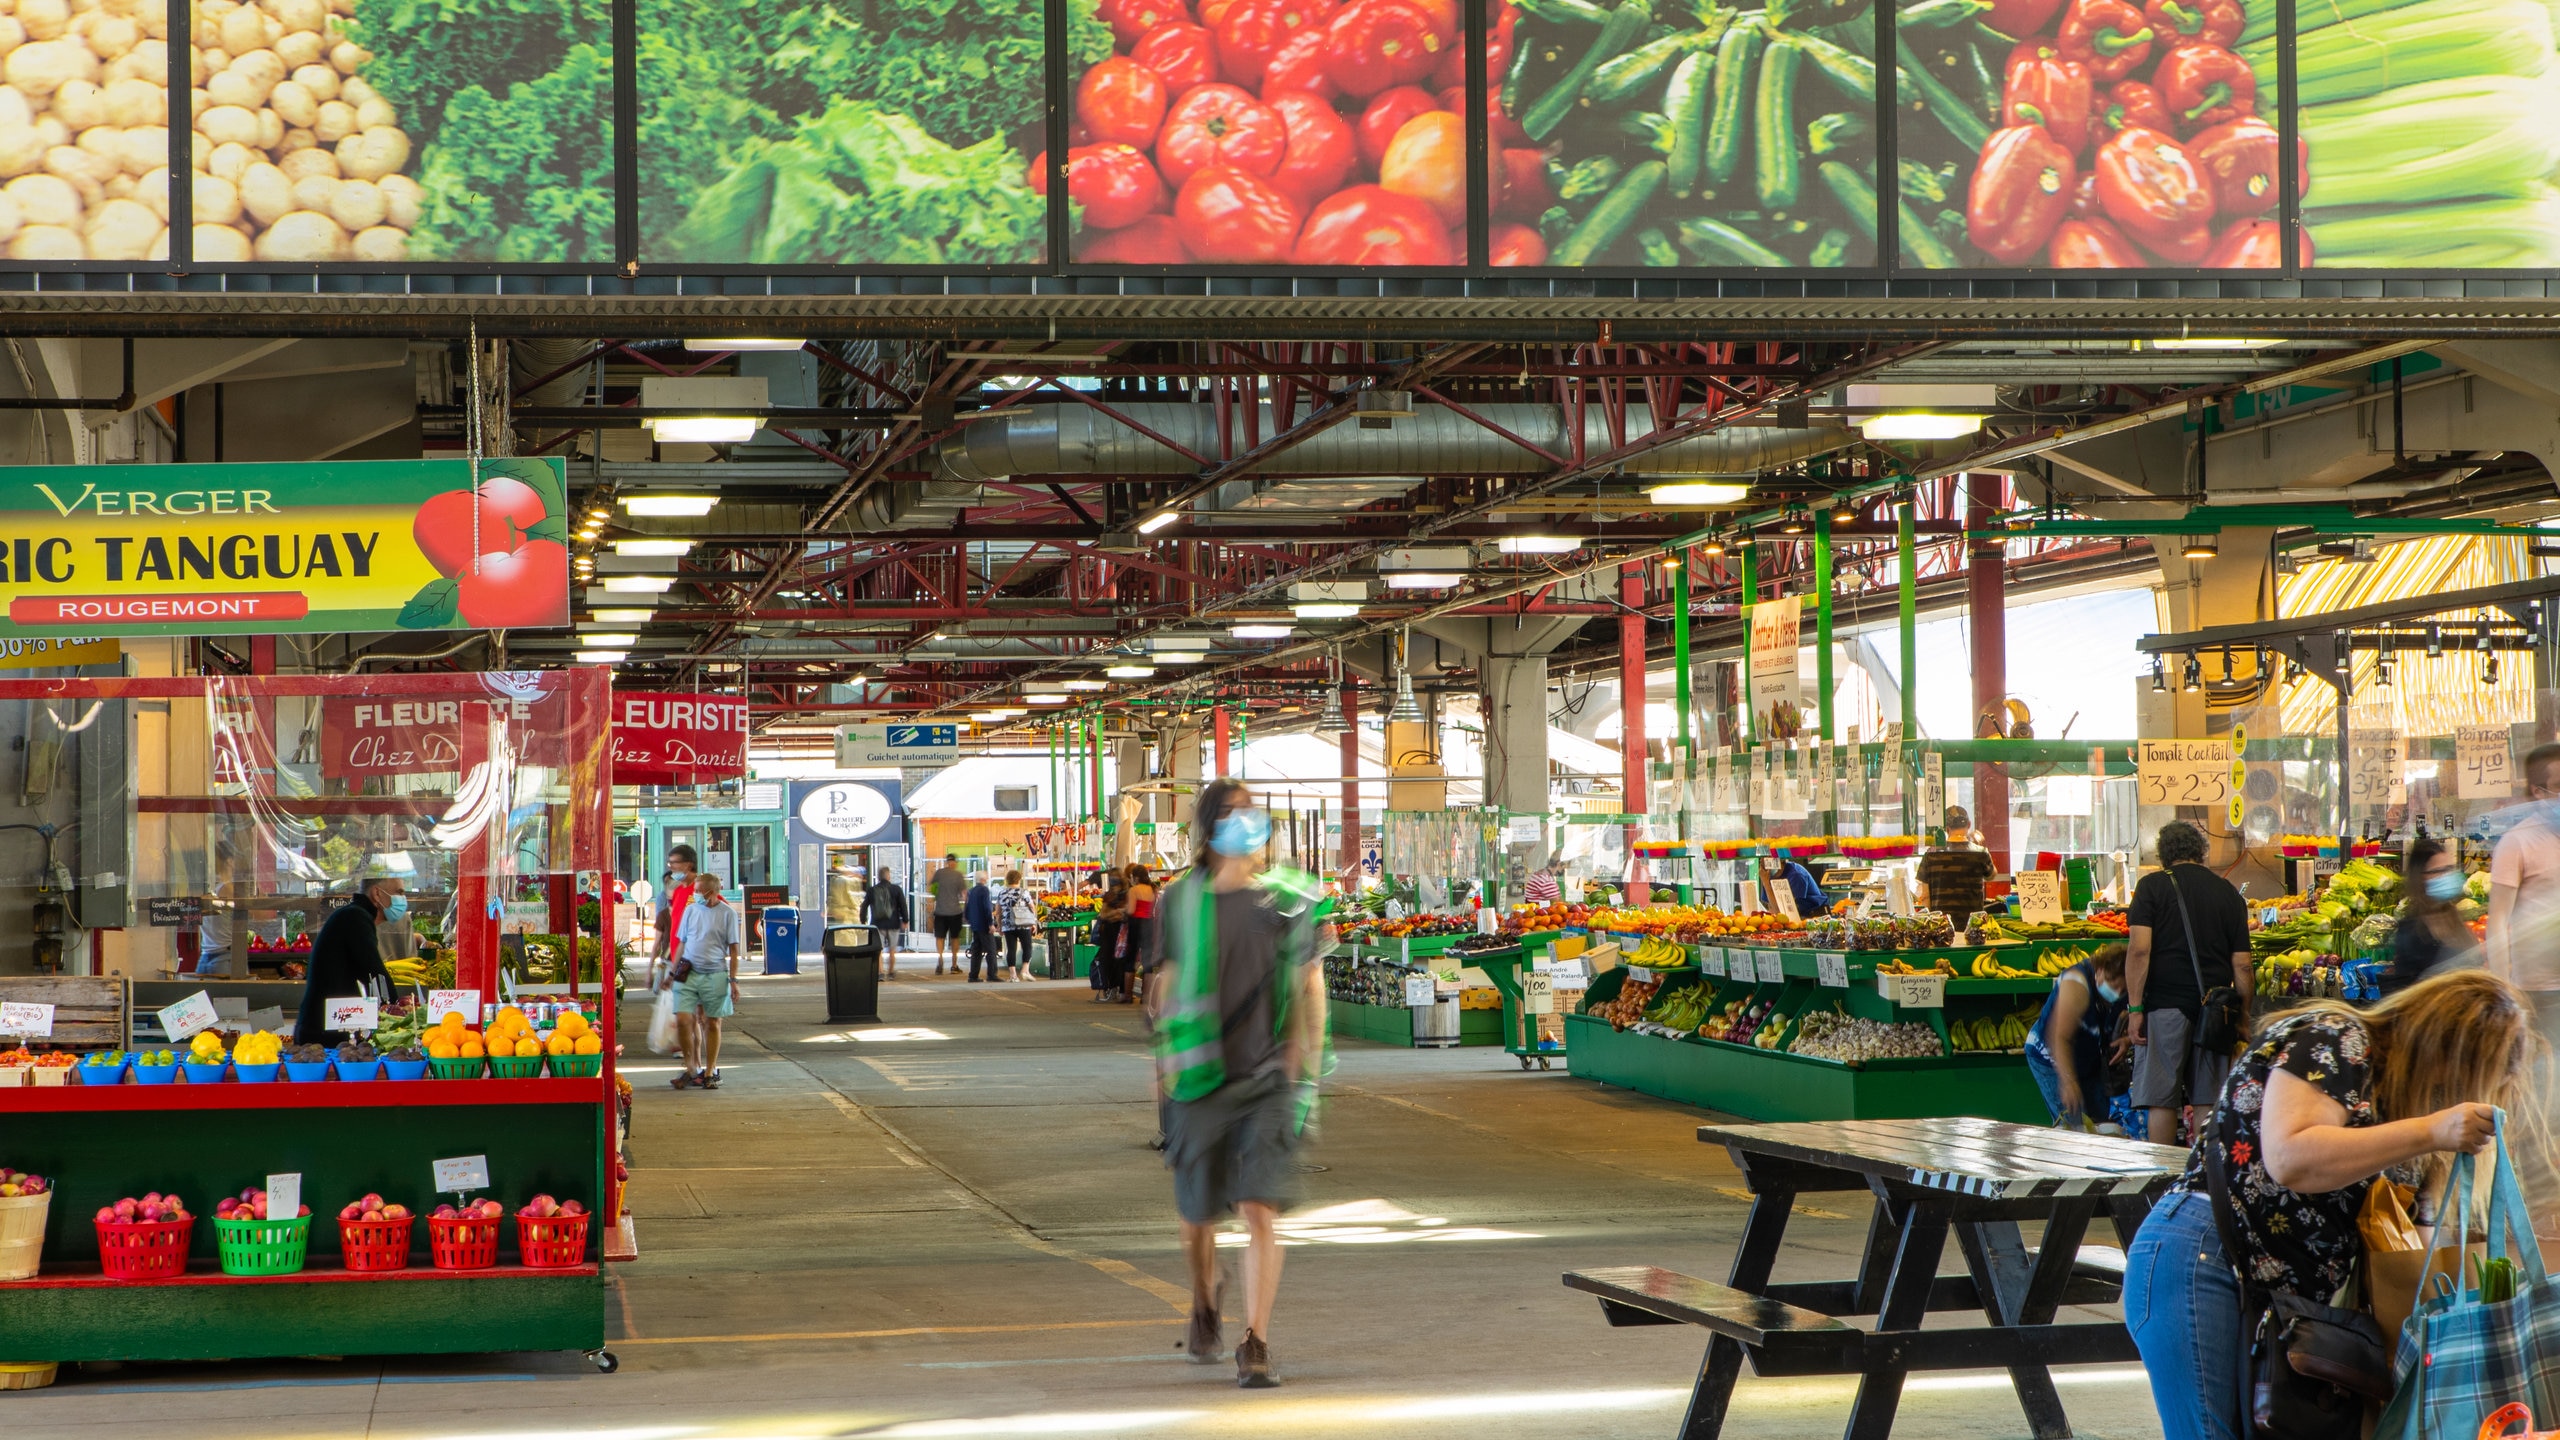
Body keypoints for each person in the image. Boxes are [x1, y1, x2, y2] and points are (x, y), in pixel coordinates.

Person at [2125, 970, 2533, 1440]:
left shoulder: (2411, 1110)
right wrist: (2432, 1132)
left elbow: (2414, 1257)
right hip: (2209, 1261)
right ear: (2444, 1042)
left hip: (2284, 1304)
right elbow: (2290, 1156)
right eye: (2468, 1074)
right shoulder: (2337, 1037)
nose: (2459, 1093)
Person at [1145, 778, 1329, 1387]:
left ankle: (1256, 1342)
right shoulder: (1179, 900)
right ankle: (1204, 1293)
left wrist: (1304, 1062)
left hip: (1268, 1076)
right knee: (1197, 1214)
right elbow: (1166, 983)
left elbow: (1308, 983)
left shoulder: (1287, 900)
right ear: (1209, 826)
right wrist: (1162, 1068)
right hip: (1198, 1077)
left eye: (1254, 812)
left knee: (1258, 1208)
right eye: (1233, 812)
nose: (1248, 822)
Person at [2125, 820, 2253, 1146]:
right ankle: (2204, 1177)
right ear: (2200, 852)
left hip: (2164, 1006)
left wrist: (2135, 1008)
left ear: (2164, 854)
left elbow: (2139, 950)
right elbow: (2243, 965)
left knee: (2161, 1098)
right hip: (2215, 1012)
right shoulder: (2228, 893)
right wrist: (2243, 1014)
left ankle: (2161, 1179)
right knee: (2208, 1099)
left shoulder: (2151, 887)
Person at [2487, 742, 2560, 1050]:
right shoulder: (2516, 843)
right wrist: (2503, 989)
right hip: (2538, 993)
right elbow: (2498, 919)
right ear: (2539, 793)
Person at [2024, 942, 2128, 1129]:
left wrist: (2126, 1040)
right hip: (2050, 1055)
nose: (2118, 994)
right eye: (2115, 987)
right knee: (2074, 1123)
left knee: (2100, 1120)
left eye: (2124, 990)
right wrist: (2068, 1081)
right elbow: (2060, 1038)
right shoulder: (2077, 985)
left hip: (2087, 1058)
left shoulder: (2126, 989)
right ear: (2101, 971)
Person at [294, 872, 401, 1046]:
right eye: (399, 892)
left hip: (327, 1028)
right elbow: (374, 972)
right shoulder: (355, 918)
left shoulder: (353, 915)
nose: (403, 899)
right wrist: (398, 1010)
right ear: (377, 894)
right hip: (321, 1037)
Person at [666, 870, 744, 1090]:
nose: (695, 894)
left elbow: (734, 950)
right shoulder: (691, 911)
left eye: (698, 891)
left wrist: (733, 979)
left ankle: (709, 1070)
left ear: (711, 892)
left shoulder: (727, 913)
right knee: (683, 1020)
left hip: (715, 974)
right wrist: (672, 973)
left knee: (712, 1022)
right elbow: (682, 943)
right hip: (688, 972)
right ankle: (691, 1067)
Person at [2384, 836, 2481, 996]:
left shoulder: (2454, 917)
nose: (2446, 876)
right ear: (2420, 878)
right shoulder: (2410, 929)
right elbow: (2405, 989)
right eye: (2438, 871)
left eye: (2449, 869)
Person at [1915, 806, 1997, 925]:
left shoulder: (1931, 854)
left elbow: (1926, 896)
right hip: (1973, 924)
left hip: (1942, 924)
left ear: (1946, 829)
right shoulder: (1980, 852)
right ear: (1969, 825)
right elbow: (1991, 875)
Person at [654, 844, 699, 980]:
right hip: (677, 963)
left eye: (674, 862)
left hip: (697, 964)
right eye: (669, 862)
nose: (670, 866)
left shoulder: (702, 889)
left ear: (689, 865)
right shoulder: (678, 891)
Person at [864, 867, 911, 981]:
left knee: (878, 950)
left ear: (879, 877)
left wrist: (862, 920)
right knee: (892, 950)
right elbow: (903, 906)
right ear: (888, 876)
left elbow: (864, 905)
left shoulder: (872, 890)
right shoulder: (896, 889)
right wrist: (905, 920)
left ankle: (880, 972)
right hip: (893, 924)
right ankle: (890, 972)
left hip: (877, 924)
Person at [1124, 864, 1158, 1005]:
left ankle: (1127, 995)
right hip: (1149, 924)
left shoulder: (1134, 890)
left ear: (1135, 877)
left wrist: (1124, 911)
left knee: (1130, 960)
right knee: (1147, 961)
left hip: (1136, 925)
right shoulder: (1153, 889)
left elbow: (1131, 910)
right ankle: (1146, 996)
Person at [929, 852, 967, 976]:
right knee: (954, 938)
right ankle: (954, 965)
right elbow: (963, 894)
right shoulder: (958, 875)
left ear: (946, 862)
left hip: (940, 911)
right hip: (955, 911)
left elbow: (930, 886)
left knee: (939, 937)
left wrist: (936, 897)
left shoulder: (939, 873)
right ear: (954, 862)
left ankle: (940, 959)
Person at [1092, 878, 1130, 1003]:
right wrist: (1116, 913)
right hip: (1109, 934)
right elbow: (1104, 914)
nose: (1114, 887)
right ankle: (1111, 988)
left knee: (1117, 962)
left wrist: (1114, 914)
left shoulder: (1125, 895)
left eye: (1116, 884)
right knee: (1108, 961)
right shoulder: (1109, 896)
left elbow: (1121, 914)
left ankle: (1115, 989)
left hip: (1118, 935)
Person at [998, 868, 1040, 981]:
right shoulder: (1024, 892)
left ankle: (1013, 975)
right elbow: (1032, 907)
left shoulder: (1001, 893)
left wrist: (999, 926)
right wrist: (1034, 921)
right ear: (1019, 880)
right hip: (1024, 923)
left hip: (1008, 924)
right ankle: (1025, 970)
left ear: (1007, 880)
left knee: (1011, 949)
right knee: (1027, 946)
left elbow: (998, 912)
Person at [964, 870, 997, 983]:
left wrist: (970, 920)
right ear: (983, 879)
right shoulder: (984, 890)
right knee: (991, 950)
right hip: (984, 925)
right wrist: (990, 923)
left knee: (976, 951)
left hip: (975, 925)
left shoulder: (971, 891)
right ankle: (992, 974)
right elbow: (987, 908)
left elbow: (967, 908)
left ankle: (973, 975)